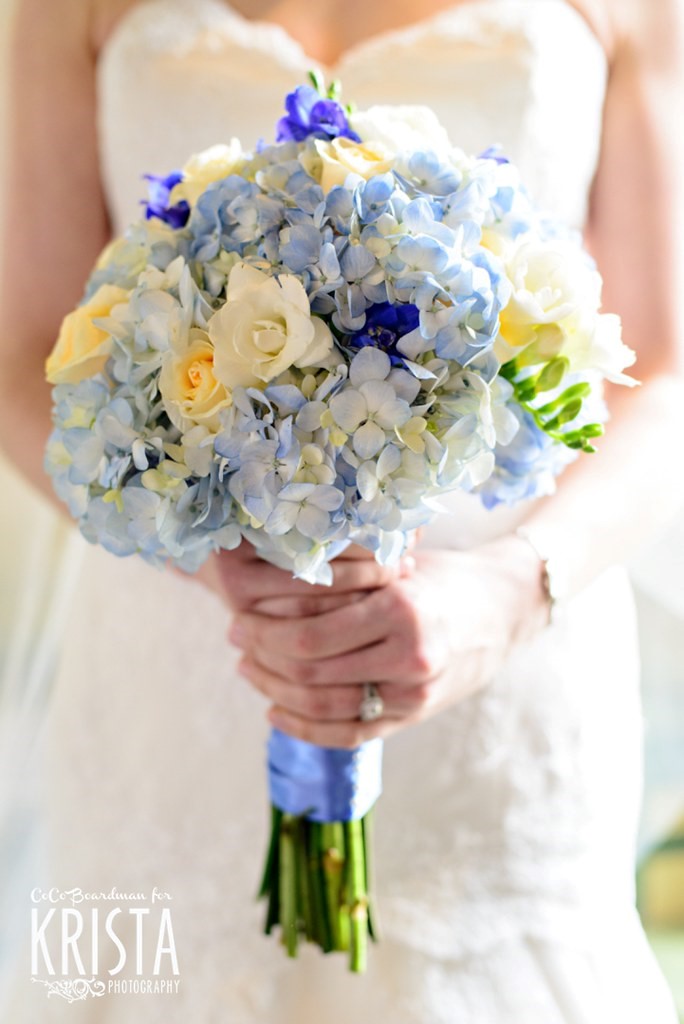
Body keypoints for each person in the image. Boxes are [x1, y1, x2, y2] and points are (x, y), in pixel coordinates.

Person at [1, 0, 682, 1020]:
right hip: (178, 680)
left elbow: (664, 375)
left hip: (500, 675)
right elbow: (24, 358)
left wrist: (507, 595)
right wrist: (213, 560)